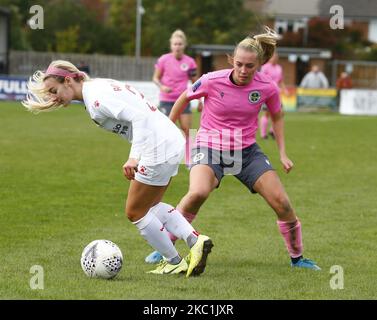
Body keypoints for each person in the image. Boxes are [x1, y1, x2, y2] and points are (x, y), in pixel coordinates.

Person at [147, 27, 320, 270]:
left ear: (259, 64)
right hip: (208, 145)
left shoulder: (267, 87)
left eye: (250, 66)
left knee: (282, 202)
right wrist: (168, 129)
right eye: (239, 64)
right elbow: (184, 98)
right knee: (198, 192)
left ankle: (298, 259)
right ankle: (165, 247)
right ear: (231, 60)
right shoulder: (210, 79)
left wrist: (282, 152)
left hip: (246, 150)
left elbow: (277, 117)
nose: (243, 70)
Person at [22, 60, 213, 277]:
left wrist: (133, 158)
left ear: (68, 80)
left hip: (157, 145)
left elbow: (139, 117)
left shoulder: (95, 98)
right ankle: (196, 240)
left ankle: (174, 261)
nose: (52, 97)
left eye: (54, 91)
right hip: (168, 140)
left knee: (135, 212)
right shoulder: (98, 87)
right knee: (151, 206)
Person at [152, 29, 201, 169]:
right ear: (171, 45)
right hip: (166, 100)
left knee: (187, 129)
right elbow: (155, 78)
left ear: (184, 45)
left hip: (183, 100)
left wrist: (200, 100)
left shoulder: (190, 62)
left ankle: (189, 160)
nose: (177, 46)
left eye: (180, 44)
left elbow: (195, 82)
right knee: (166, 130)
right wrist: (161, 86)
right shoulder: (163, 59)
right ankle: (163, 158)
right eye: (175, 44)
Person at [259, 52, 287, 140]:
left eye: (276, 56)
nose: (275, 58)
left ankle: (272, 130)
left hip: (277, 94)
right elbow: (261, 79)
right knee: (267, 114)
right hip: (268, 93)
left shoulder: (279, 68)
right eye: (273, 56)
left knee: (280, 113)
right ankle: (263, 134)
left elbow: (281, 80)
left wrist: (284, 89)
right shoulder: (265, 67)